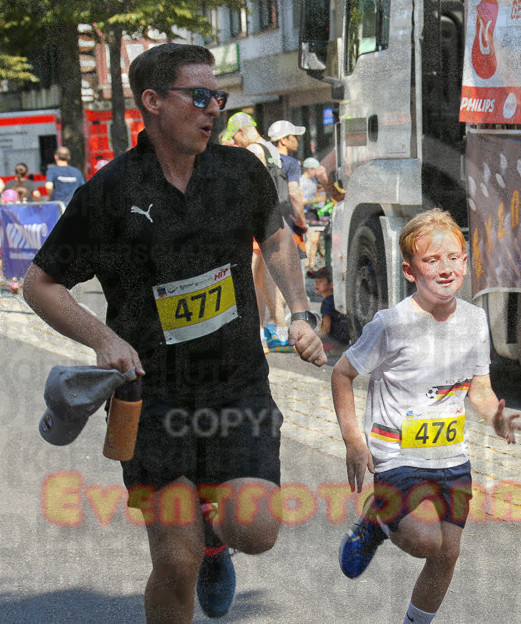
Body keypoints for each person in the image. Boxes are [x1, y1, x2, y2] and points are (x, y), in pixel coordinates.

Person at [23, 43, 326, 623]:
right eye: (200, 96)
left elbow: (277, 233)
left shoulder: (241, 172)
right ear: (154, 102)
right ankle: (199, 548)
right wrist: (103, 340)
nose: (213, 108)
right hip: (153, 399)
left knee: (256, 528)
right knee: (175, 559)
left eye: (219, 96)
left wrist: (299, 309)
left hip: (237, 388)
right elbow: (40, 284)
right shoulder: (112, 192)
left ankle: (220, 542)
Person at [331, 209, 521, 624]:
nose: (446, 269)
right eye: (432, 261)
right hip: (397, 455)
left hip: (451, 458)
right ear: (409, 270)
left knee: (447, 552)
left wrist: (497, 417)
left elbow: (480, 390)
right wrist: (353, 440)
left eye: (454, 258)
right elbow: (342, 373)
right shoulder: (391, 324)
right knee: (424, 541)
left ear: (466, 262)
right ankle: (378, 519)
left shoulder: (473, 320)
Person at [225, 113, 291, 351]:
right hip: (273, 221)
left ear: (241, 131)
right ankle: (281, 335)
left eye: (234, 137)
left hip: (254, 224)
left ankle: (258, 336)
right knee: (268, 281)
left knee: (249, 280)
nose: (235, 142)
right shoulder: (270, 148)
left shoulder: (253, 150)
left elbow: (249, 189)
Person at [308, 266, 349, 352]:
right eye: (316, 281)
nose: (316, 284)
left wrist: (312, 338)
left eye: (320, 281)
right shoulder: (337, 299)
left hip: (334, 342)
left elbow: (326, 329)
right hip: (344, 341)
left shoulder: (327, 302)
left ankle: (335, 350)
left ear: (331, 285)